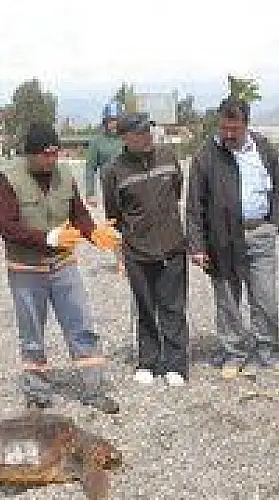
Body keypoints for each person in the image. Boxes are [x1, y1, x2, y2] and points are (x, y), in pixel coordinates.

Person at [0, 122, 122, 413]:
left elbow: (78, 214)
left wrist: (93, 233)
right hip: (25, 269)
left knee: (81, 325)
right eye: (47, 155)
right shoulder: (9, 179)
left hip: (64, 266)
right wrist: (47, 238)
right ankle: (37, 392)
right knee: (32, 334)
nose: (52, 160)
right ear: (31, 154)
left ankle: (94, 388)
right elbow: (7, 226)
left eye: (56, 154)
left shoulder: (64, 175)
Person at [186, 97, 279, 380]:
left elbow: (278, 187)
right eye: (224, 128)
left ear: (247, 125)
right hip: (223, 237)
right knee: (228, 300)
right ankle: (234, 353)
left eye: (235, 128)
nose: (228, 134)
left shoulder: (265, 149)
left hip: (260, 234)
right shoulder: (205, 155)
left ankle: (268, 351)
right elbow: (195, 205)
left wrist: (274, 223)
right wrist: (197, 246)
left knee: (265, 298)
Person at [101, 112, 189, 386]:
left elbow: (177, 190)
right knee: (146, 307)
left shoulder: (167, 156)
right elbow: (114, 214)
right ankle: (148, 361)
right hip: (137, 251)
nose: (147, 137)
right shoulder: (113, 171)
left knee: (173, 307)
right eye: (139, 134)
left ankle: (176, 364)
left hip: (173, 245)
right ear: (125, 138)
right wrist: (120, 255)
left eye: (148, 131)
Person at [83, 101, 124, 208]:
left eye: (117, 119)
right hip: (110, 189)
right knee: (114, 221)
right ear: (105, 121)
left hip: (131, 187)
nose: (114, 123)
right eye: (111, 120)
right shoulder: (97, 142)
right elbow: (90, 169)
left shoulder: (129, 138)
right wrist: (90, 193)